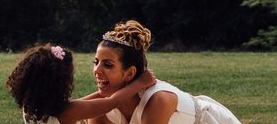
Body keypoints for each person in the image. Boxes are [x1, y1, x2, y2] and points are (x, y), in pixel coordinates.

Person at [90, 20, 242, 124]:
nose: (97, 70)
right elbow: (71, 111)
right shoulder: (101, 107)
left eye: (108, 65)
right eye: (96, 62)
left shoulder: (158, 99)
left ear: (130, 73)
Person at [7, 43, 157, 124]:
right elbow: (112, 102)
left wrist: (104, 90)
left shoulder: (31, 108)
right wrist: (140, 82)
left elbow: (82, 103)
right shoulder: (67, 112)